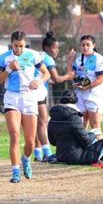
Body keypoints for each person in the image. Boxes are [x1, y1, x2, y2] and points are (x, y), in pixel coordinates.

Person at [0, 31, 50, 183]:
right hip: (12, 97)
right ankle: (15, 172)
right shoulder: (5, 58)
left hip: (29, 98)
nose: (18, 49)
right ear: (11, 44)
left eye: (21, 46)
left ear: (25, 44)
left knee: (31, 142)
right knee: (14, 135)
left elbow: (46, 73)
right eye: (15, 46)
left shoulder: (33, 55)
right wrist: (8, 69)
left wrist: (38, 81)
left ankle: (26, 159)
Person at [33, 31, 74, 161]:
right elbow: (56, 79)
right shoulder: (47, 58)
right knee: (43, 122)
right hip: (37, 91)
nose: (56, 51)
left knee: (36, 122)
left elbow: (48, 79)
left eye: (57, 48)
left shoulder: (37, 55)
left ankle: (38, 154)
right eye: (54, 48)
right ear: (47, 48)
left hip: (29, 90)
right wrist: (68, 76)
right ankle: (47, 153)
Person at [48, 89, 103, 165]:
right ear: (76, 101)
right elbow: (86, 141)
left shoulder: (52, 119)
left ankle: (99, 160)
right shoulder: (75, 117)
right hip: (76, 157)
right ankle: (101, 161)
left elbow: (52, 142)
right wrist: (93, 133)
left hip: (60, 156)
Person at [67, 35, 103, 135]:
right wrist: (70, 62)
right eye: (83, 45)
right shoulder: (78, 60)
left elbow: (101, 79)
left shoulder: (99, 59)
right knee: (80, 125)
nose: (85, 47)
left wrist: (87, 86)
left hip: (95, 95)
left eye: (88, 45)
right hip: (80, 95)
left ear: (93, 45)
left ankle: (100, 150)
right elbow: (72, 75)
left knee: (95, 126)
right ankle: (82, 150)